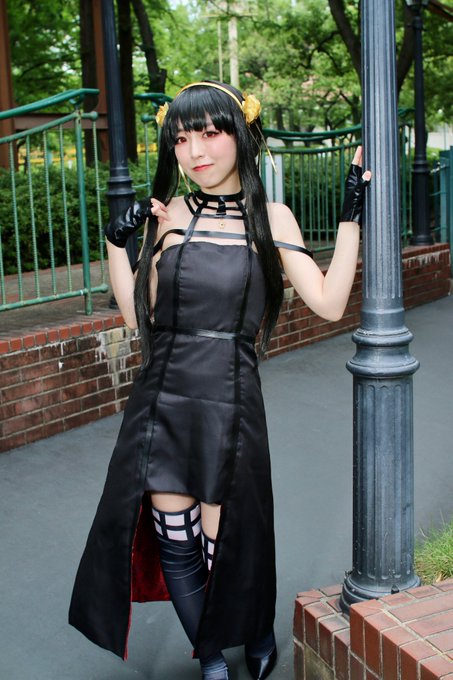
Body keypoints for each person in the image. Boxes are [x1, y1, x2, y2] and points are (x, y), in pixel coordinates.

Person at [69, 80, 371, 680]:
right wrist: (115, 244)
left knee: (228, 541)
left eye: (209, 133)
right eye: (181, 139)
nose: (194, 151)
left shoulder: (272, 218)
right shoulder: (169, 214)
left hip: (230, 401)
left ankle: (254, 631)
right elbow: (135, 318)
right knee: (175, 539)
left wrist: (350, 216)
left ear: (242, 135)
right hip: (161, 401)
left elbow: (331, 303)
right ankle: (210, 658)